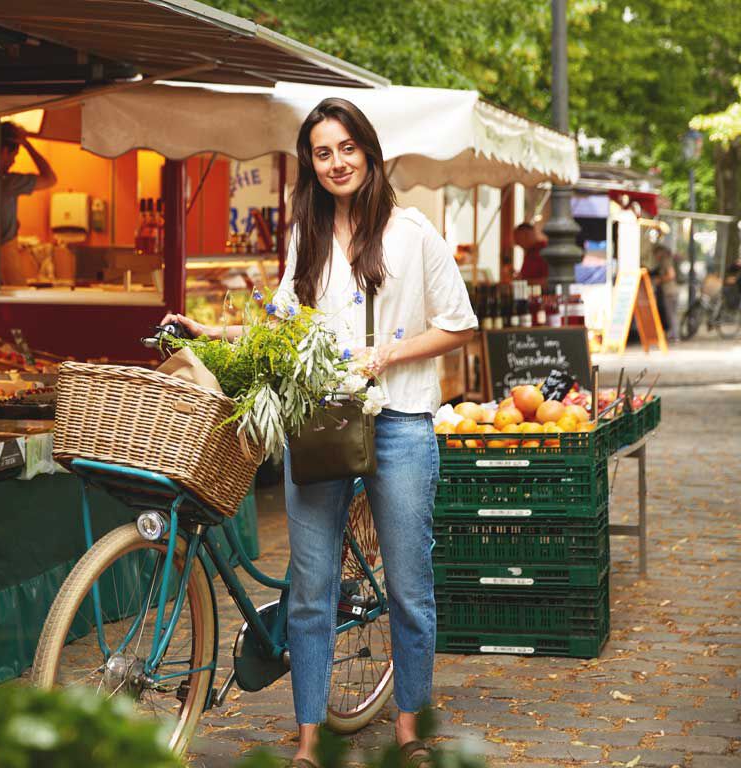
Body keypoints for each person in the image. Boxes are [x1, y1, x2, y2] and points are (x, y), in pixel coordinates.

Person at [163, 98, 476, 767]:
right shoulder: (306, 235)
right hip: (319, 424)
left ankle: (409, 732)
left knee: (409, 588)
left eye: (346, 148)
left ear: (368, 150)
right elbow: (281, 325)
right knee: (308, 589)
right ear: (311, 162)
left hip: (399, 423)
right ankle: (307, 742)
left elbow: (460, 323)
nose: (336, 162)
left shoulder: (412, 231)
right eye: (322, 152)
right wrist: (214, 333)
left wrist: (385, 356)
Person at [0, 122, 57, 286]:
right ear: (4, 151)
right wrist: (27, 144)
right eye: (14, 156)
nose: (13, 162)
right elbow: (50, 179)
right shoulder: (8, 183)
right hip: (6, 264)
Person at [650, 245, 679, 341]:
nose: (655, 257)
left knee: (671, 314)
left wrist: (660, 280)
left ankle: (674, 335)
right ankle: (673, 334)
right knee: (671, 314)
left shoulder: (666, 261)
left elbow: (671, 275)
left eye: (655, 254)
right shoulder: (664, 262)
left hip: (669, 292)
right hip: (670, 292)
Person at [514, 222, 549, 286]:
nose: (517, 243)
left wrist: (524, 281)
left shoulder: (544, 251)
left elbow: (548, 281)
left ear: (526, 235)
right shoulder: (529, 253)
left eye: (518, 239)